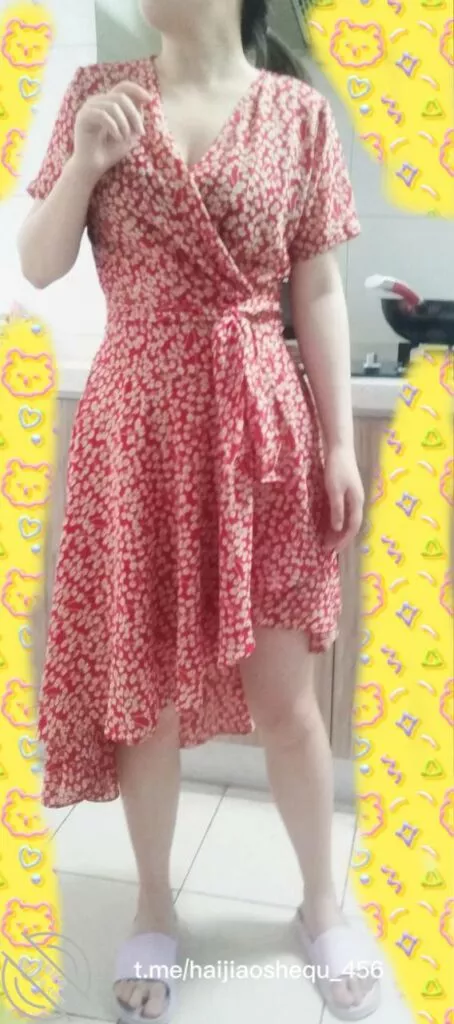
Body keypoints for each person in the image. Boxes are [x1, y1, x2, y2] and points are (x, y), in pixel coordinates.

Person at [19, 0, 380, 1020]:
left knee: (288, 702)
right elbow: (38, 263)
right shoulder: (97, 97)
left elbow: (317, 286)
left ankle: (320, 902)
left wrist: (338, 443)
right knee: (146, 699)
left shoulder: (297, 114)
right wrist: (84, 166)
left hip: (261, 433)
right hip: (137, 435)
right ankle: (153, 902)